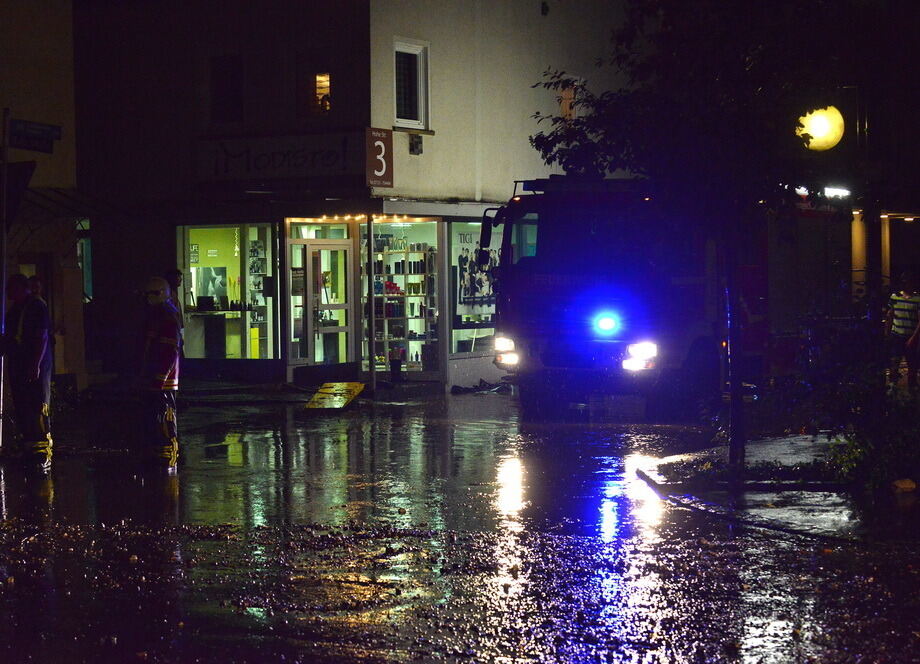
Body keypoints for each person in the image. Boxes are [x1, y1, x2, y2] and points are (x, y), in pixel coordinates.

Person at [2, 274, 54, 469]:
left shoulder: (36, 307)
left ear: (23, 288)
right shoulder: (15, 310)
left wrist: (36, 364)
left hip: (34, 367)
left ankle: (42, 453)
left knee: (37, 407)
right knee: (22, 406)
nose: (9, 293)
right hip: (18, 366)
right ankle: (28, 448)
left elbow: (42, 337)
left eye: (12, 288)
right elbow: (10, 339)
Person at [139, 276, 182, 469]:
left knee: (165, 420)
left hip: (163, 382)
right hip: (155, 379)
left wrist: (159, 377)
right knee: (155, 421)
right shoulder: (158, 315)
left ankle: (166, 459)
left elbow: (169, 352)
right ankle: (159, 457)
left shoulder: (165, 318)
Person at [885, 269, 920, 390]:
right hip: (897, 335)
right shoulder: (895, 297)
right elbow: (890, 315)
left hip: (911, 336)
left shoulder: (917, 299)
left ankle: (912, 386)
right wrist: (887, 333)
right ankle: (892, 385)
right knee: (894, 361)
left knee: (912, 363)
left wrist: (913, 338)